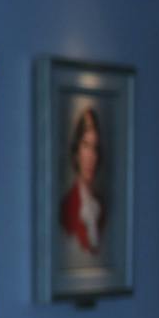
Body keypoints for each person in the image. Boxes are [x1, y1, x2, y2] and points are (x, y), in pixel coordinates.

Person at [59, 105, 104, 255]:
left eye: (94, 148)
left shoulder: (101, 205)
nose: (91, 156)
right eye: (85, 146)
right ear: (76, 152)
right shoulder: (68, 205)